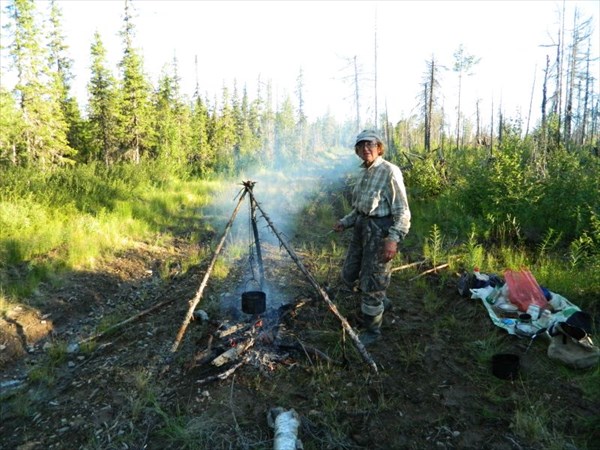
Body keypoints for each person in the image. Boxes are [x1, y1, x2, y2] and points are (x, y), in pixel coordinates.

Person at [333, 130, 411, 345]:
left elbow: (403, 211)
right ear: (357, 150)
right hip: (362, 229)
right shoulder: (364, 172)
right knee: (350, 272)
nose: (366, 148)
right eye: (361, 145)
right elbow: (360, 209)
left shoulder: (389, 171)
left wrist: (393, 239)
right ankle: (381, 302)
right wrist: (344, 222)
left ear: (379, 148)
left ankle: (372, 330)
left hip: (381, 231)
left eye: (370, 144)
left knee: (373, 280)